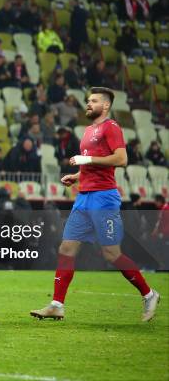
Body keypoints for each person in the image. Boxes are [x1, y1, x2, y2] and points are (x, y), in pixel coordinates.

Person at [31, 87, 160, 322]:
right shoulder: (89, 130)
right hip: (84, 197)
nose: (88, 104)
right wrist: (78, 176)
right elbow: (93, 165)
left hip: (104, 198)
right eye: (88, 100)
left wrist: (87, 160)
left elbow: (121, 159)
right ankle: (57, 304)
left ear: (107, 106)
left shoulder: (111, 127)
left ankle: (149, 294)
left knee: (111, 254)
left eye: (94, 101)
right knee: (66, 249)